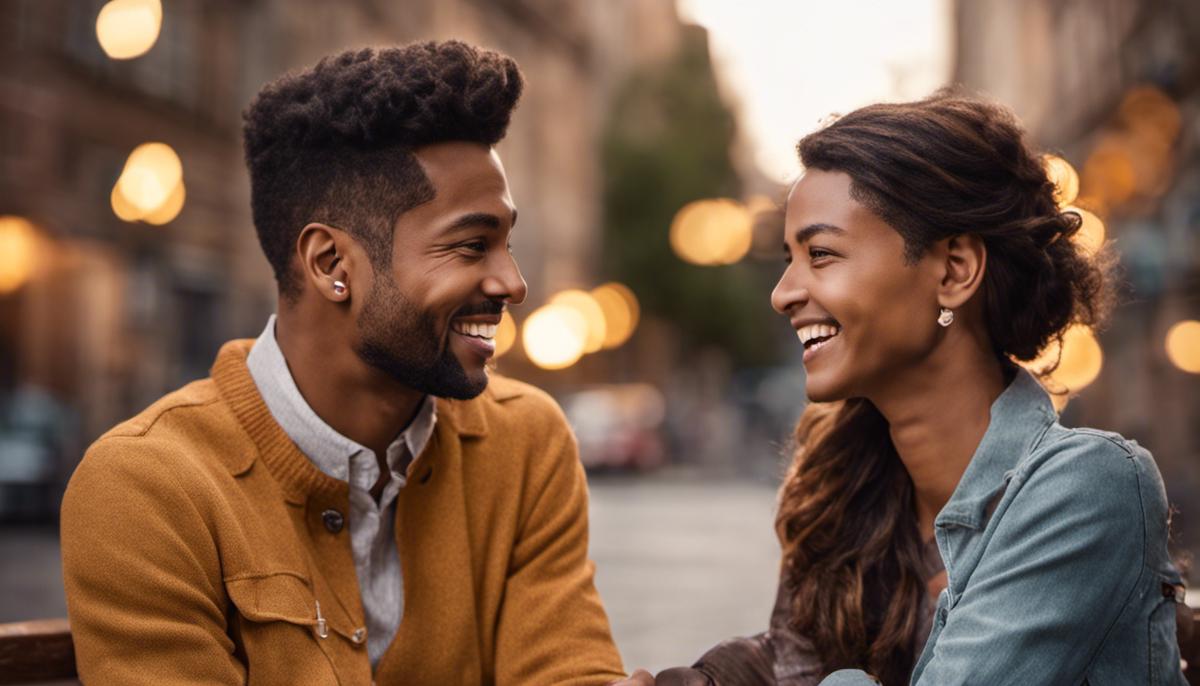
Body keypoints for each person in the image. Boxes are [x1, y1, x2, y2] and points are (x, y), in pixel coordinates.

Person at [61, 41, 648, 685]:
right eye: (472, 245)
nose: (512, 282)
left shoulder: (527, 443)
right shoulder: (144, 490)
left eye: (507, 243)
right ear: (332, 265)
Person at [656, 92, 1187, 685]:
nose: (782, 293)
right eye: (789, 259)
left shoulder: (1089, 488)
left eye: (822, 254)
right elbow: (793, 660)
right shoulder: (842, 489)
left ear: (954, 270)